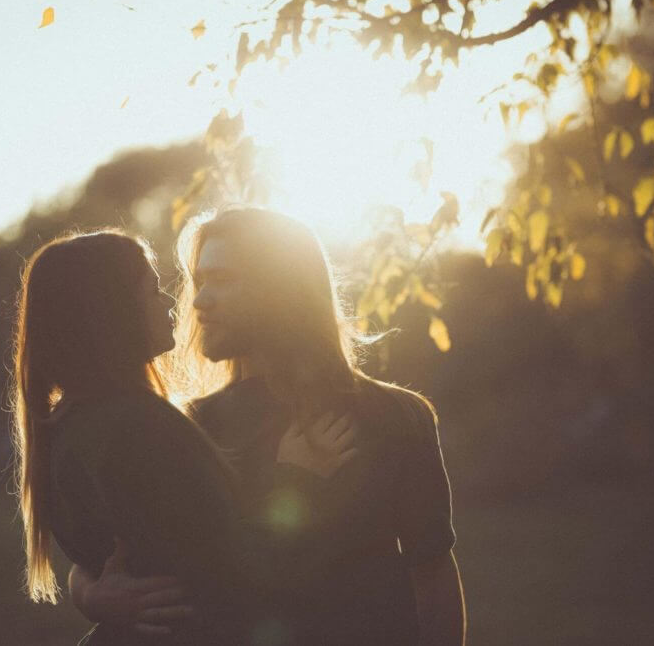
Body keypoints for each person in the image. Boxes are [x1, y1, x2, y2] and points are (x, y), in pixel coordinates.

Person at [72, 209, 466, 645]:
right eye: (199, 281)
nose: (199, 300)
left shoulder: (394, 416)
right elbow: (111, 557)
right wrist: (92, 595)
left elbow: (431, 574)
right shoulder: (184, 428)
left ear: (282, 290)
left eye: (222, 279)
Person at [10, 229, 358, 645]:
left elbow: (144, 554)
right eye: (153, 290)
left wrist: (90, 593)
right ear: (114, 312)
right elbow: (232, 573)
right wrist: (296, 476)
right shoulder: (140, 429)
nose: (177, 303)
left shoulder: (64, 424)